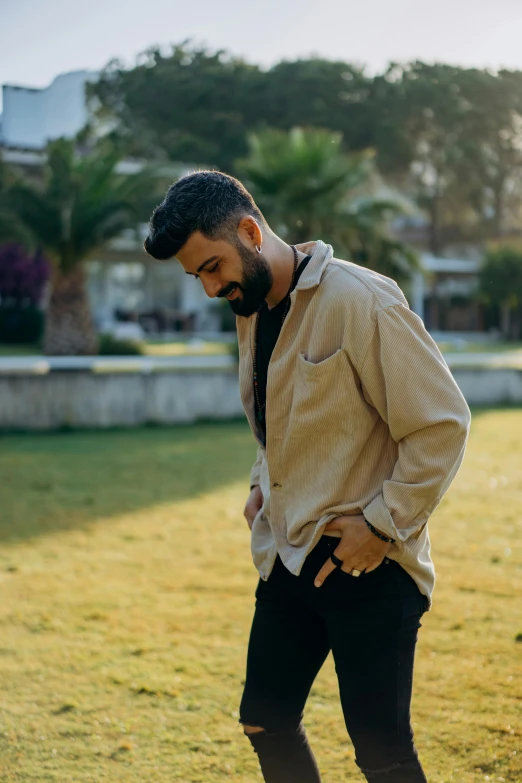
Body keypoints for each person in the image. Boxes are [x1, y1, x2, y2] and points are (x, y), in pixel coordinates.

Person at [144, 171, 471, 783]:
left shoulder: (360, 301)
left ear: (249, 231)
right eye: (198, 277)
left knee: (384, 756)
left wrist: (381, 525)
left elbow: (441, 424)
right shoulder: (251, 305)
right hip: (289, 557)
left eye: (213, 267)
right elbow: (284, 418)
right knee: (263, 721)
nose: (211, 287)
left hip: (369, 565)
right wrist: (259, 483)